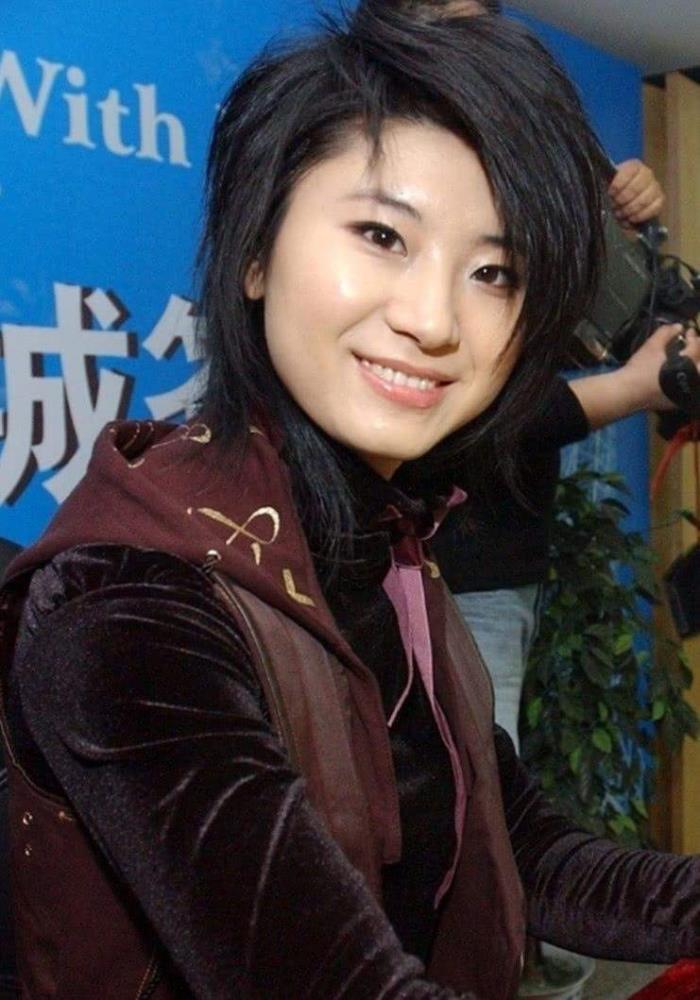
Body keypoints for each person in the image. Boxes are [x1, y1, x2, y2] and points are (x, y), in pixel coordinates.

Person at [0, 8, 698, 1000]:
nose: (433, 318)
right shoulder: (130, 602)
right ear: (255, 250)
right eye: (381, 235)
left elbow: (525, 849)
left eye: (492, 272)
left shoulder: (390, 542)